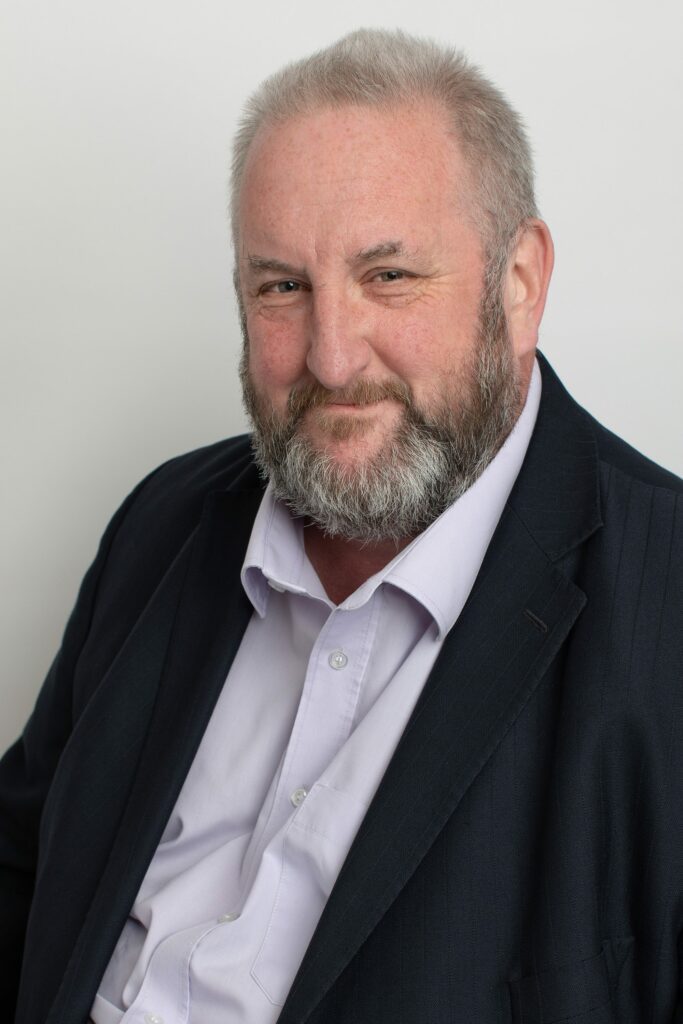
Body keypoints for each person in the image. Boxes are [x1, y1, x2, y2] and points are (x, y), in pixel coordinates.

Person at [1, 27, 681, 1024]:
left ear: (519, 282)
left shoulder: (665, 608)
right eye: (281, 286)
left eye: (388, 276)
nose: (330, 359)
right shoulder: (164, 524)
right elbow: (20, 871)